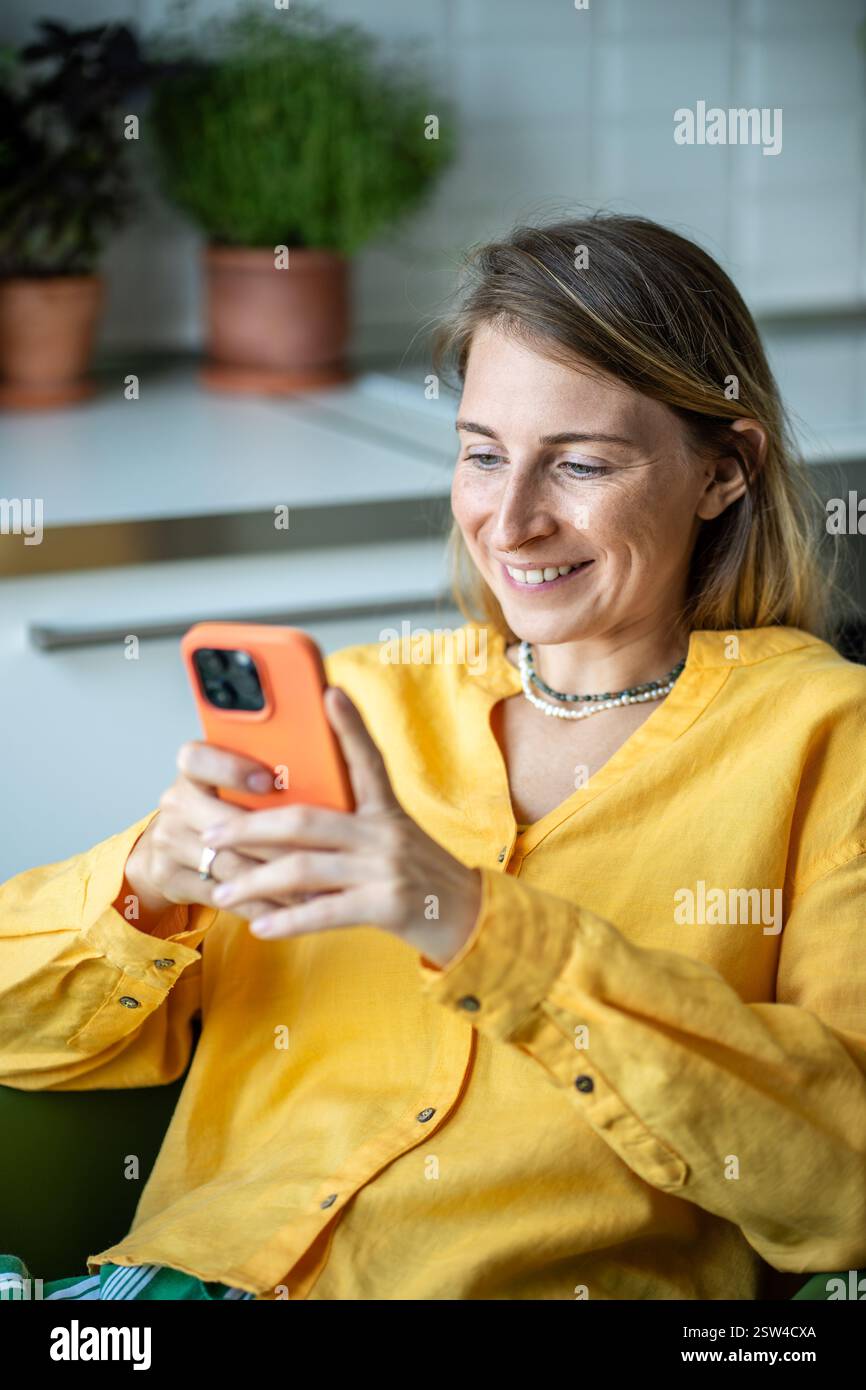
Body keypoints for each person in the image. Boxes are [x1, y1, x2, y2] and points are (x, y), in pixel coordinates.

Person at [2, 214, 865, 1302]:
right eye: (481, 454)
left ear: (722, 472)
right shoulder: (358, 704)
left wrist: (472, 922)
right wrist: (143, 892)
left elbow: (839, 1179)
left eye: (581, 464)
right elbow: (21, 1038)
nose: (507, 523)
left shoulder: (824, 737)